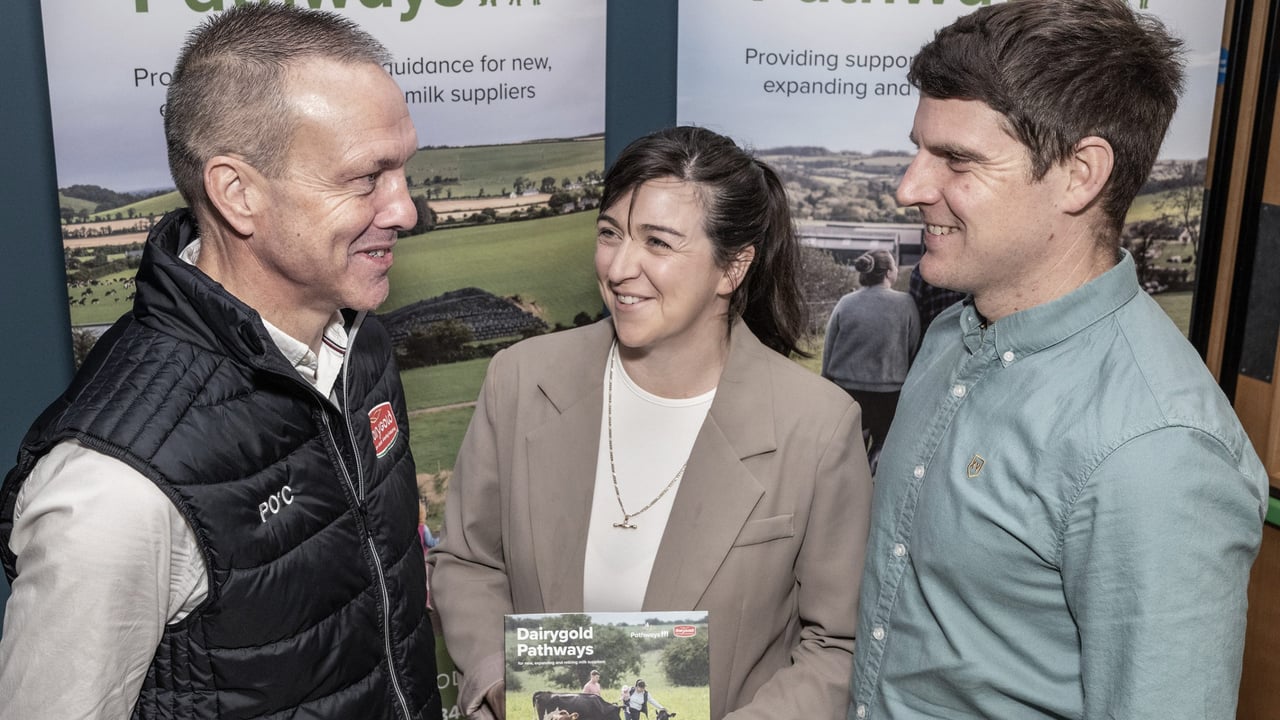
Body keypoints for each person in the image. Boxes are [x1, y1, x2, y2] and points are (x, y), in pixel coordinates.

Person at [0, 6, 440, 719]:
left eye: (404, 169)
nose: (405, 209)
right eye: (367, 178)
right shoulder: (113, 493)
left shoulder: (360, 344)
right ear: (238, 193)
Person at [850, 2, 1268, 719]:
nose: (910, 187)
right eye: (920, 149)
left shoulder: (1156, 448)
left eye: (957, 159)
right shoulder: (951, 335)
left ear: (1080, 174)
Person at [430, 126, 872, 720]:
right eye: (609, 233)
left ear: (732, 268)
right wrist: (497, 684)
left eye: (658, 242)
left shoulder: (816, 427)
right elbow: (470, 564)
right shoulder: (520, 380)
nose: (618, 267)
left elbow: (835, 645)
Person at [821, 250, 920, 469]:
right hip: (889, 393)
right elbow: (913, 348)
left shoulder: (846, 302)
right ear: (888, 272)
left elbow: (829, 347)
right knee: (884, 444)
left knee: (848, 451)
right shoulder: (906, 303)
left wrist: (825, 383)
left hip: (847, 390)